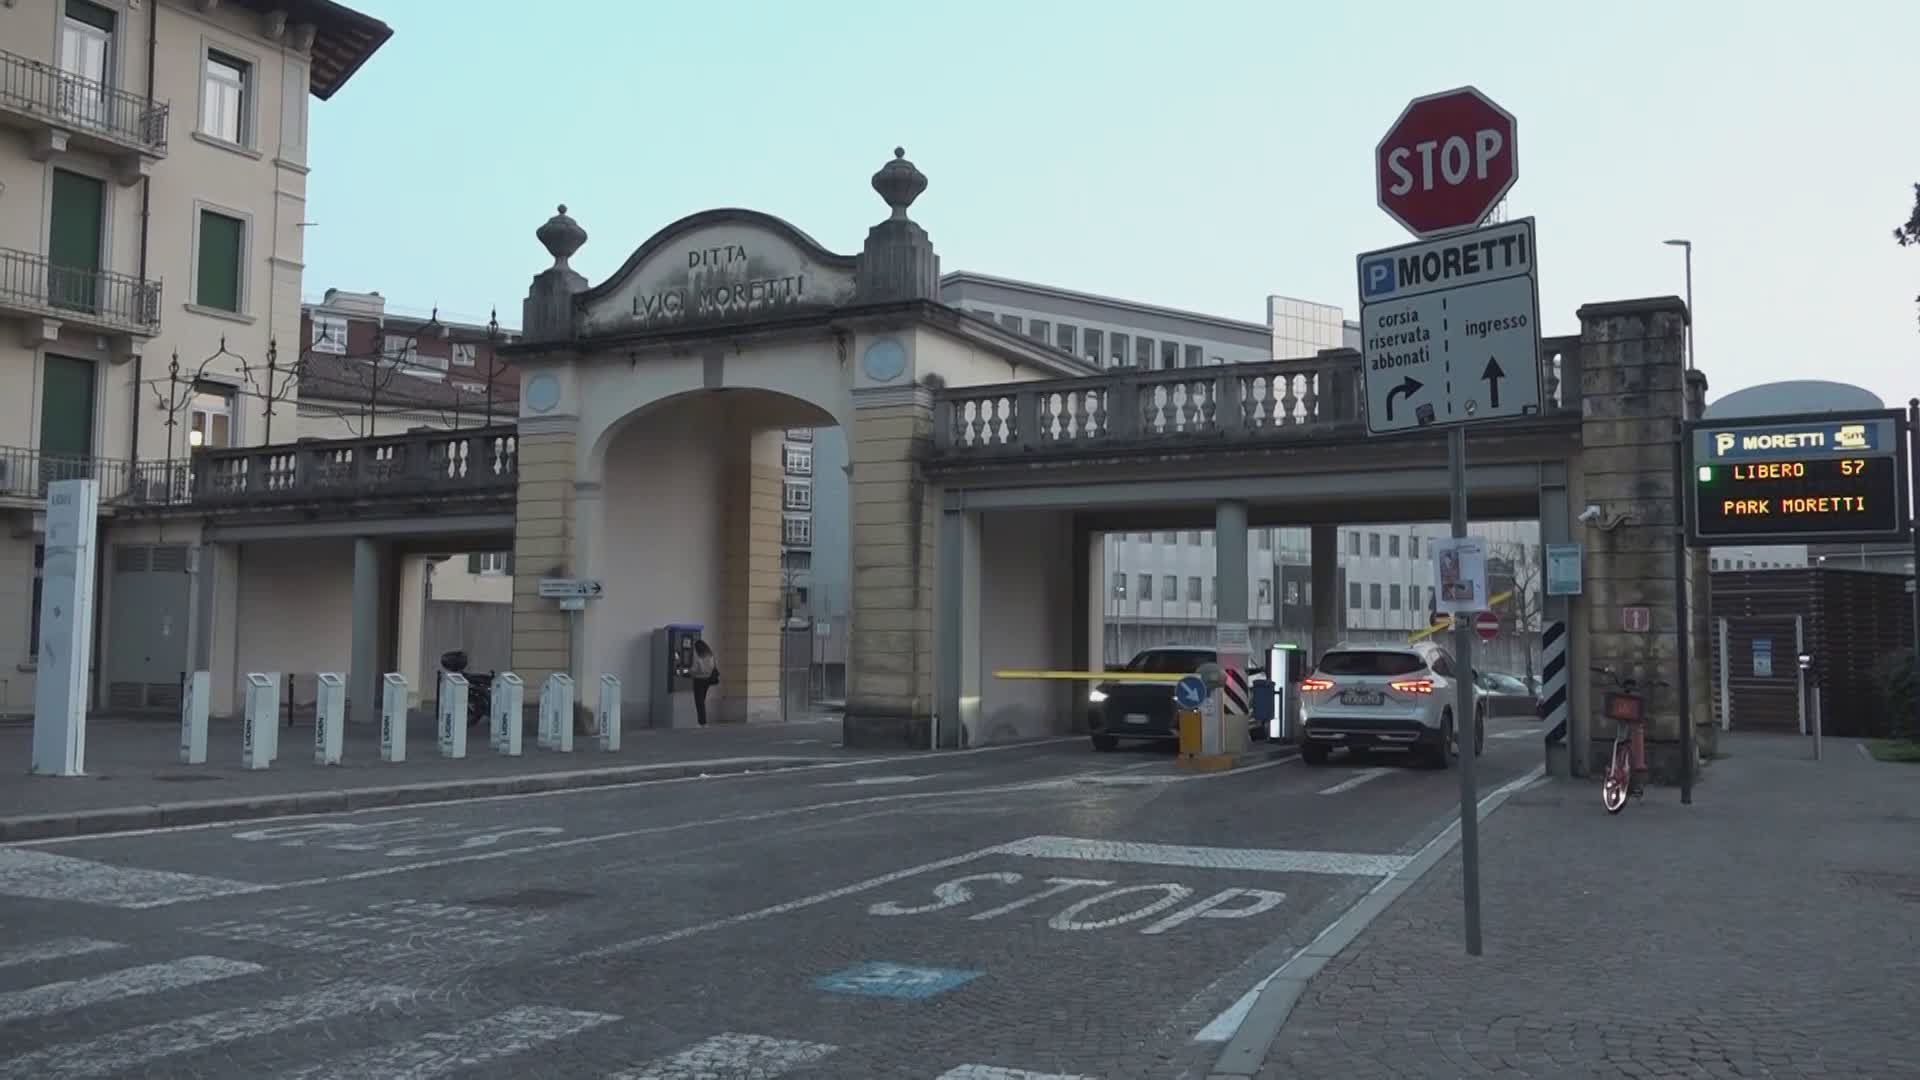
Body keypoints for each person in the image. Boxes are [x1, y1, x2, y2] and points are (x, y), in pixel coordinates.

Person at [689, 639, 719, 726]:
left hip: (698, 680)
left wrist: (688, 672)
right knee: (702, 700)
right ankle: (703, 722)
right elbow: (712, 666)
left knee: (699, 702)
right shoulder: (709, 654)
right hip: (707, 680)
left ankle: (702, 722)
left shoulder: (697, 656)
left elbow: (694, 668)